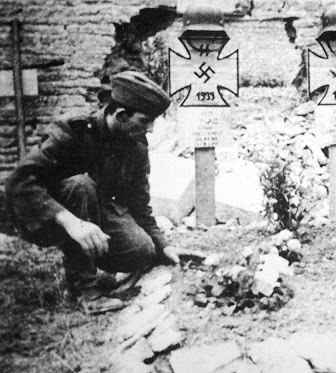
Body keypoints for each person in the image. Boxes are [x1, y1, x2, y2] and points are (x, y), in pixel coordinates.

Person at [6, 71, 202, 310]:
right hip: (47, 218)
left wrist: (163, 246)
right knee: (81, 185)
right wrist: (69, 222)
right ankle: (84, 291)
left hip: (94, 215)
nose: (150, 129)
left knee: (141, 251)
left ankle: (96, 259)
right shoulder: (72, 132)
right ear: (120, 115)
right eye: (145, 120)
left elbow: (139, 203)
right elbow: (19, 181)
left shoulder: (136, 146)